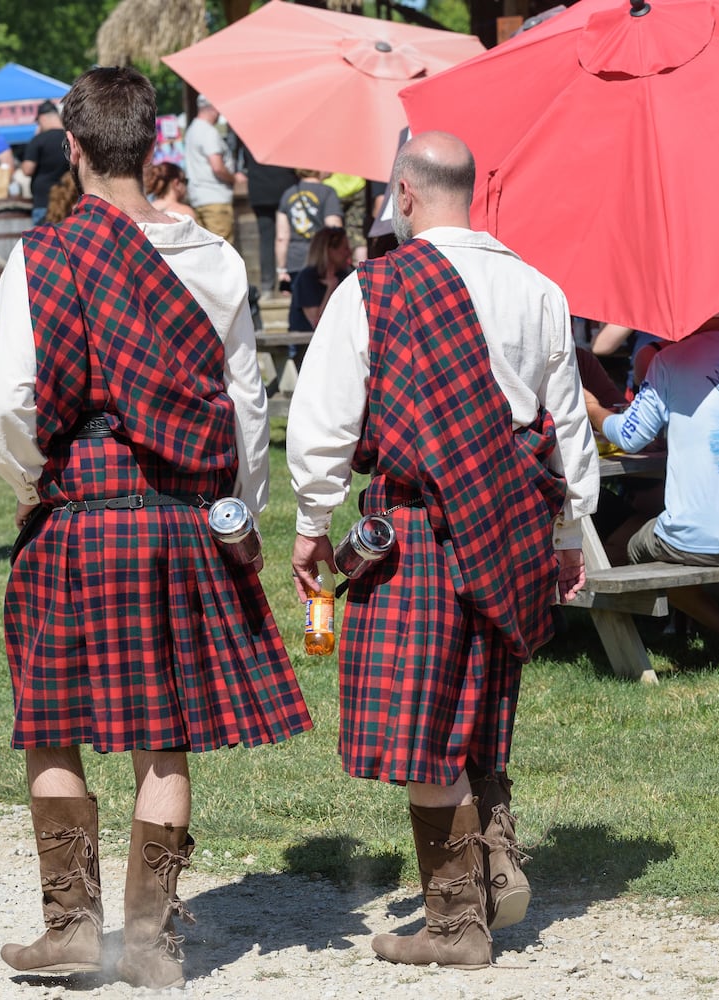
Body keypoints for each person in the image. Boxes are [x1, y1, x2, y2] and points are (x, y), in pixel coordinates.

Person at [0, 66, 311, 989]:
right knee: (161, 734)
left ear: (74, 148)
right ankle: (154, 943)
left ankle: (74, 928)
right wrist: (236, 510)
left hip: (81, 507)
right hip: (177, 514)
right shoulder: (214, 260)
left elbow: (7, 401)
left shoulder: (45, 252)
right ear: (156, 147)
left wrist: (30, 481)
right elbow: (247, 408)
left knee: (52, 723)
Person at [288, 132, 597, 969]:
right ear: (477, 192)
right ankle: (490, 870)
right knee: (479, 711)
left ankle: (457, 926)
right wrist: (571, 535)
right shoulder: (538, 289)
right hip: (514, 525)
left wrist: (313, 521)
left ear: (404, 194)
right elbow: (567, 425)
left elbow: (323, 419)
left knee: (423, 726)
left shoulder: (376, 288)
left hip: (418, 528)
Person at [584, 312, 719, 663]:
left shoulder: (667, 361)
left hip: (692, 540)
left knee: (635, 547)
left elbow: (630, 436)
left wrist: (594, 410)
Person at [182, 94, 245, 243]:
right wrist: (234, 178)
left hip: (199, 198)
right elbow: (217, 167)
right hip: (215, 199)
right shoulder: (209, 132)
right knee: (222, 250)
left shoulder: (192, 130)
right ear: (213, 109)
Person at [274, 169, 343, 294]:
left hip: (295, 262)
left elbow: (281, 237)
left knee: (300, 307)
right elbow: (334, 228)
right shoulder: (327, 192)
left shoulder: (288, 194)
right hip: (321, 260)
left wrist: (281, 270)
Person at [239, 148, 297, 296]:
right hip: (285, 187)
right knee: (289, 237)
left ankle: (267, 285)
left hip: (260, 190)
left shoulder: (252, 135)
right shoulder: (284, 133)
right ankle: (290, 281)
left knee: (266, 239)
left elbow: (245, 163)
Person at [287, 226, 351, 334]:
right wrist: (331, 288)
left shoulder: (346, 275)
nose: (349, 252)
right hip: (308, 344)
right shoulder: (307, 278)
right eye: (345, 248)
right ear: (329, 250)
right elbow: (317, 323)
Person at [20, 100, 69, 226]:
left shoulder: (38, 140)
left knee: (43, 242)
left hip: (44, 202)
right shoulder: (71, 139)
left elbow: (27, 169)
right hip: (69, 200)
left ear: (42, 118)